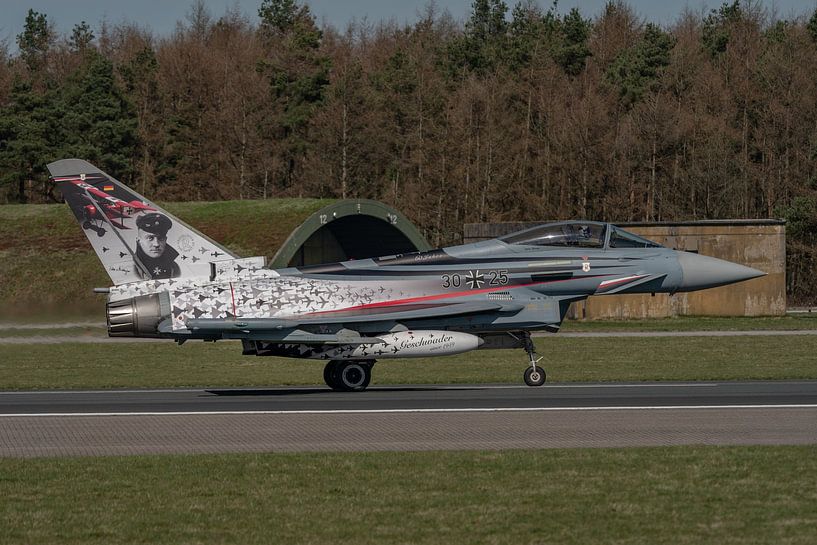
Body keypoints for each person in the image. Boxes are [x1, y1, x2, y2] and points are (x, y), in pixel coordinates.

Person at [134, 213, 181, 279]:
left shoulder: (174, 268)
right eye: (150, 238)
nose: (156, 244)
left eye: (160, 238)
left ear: (165, 240)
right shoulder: (133, 267)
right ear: (139, 241)